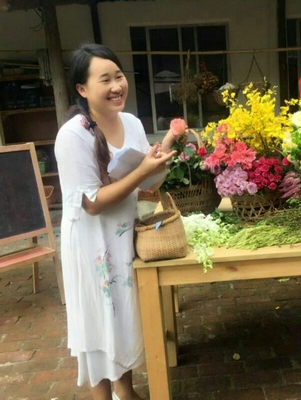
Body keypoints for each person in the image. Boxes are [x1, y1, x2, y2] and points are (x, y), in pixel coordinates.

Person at [54, 43, 179, 400]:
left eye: (119, 76)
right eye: (104, 79)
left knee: (121, 318)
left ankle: (125, 391)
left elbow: (139, 183)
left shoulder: (132, 123)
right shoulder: (73, 135)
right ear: (82, 89)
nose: (116, 86)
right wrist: (141, 172)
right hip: (91, 243)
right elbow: (91, 203)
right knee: (97, 322)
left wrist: (154, 171)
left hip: (123, 237)